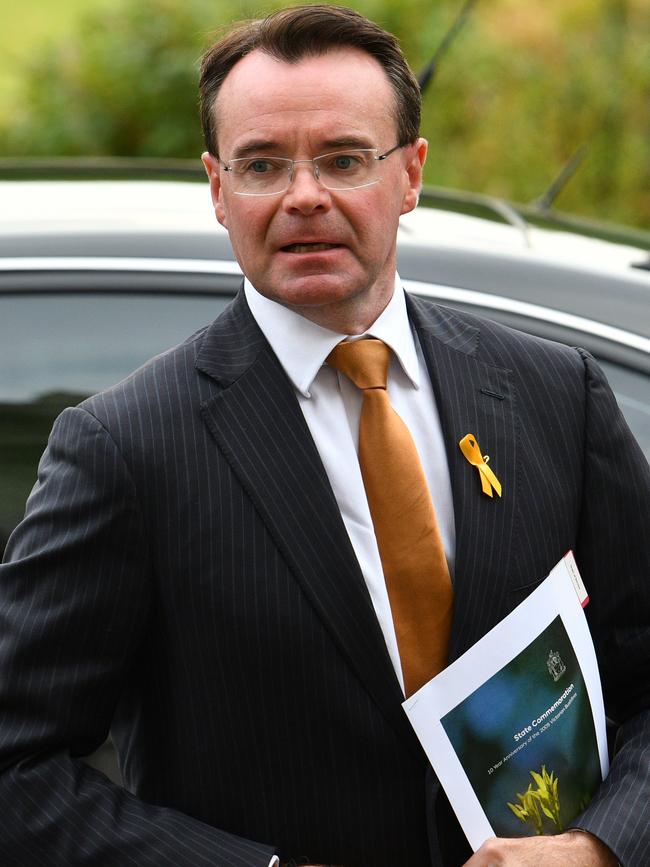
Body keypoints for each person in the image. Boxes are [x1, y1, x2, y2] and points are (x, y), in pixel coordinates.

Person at [0, 6, 648, 866]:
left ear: (411, 175)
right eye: (263, 164)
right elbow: (16, 767)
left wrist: (602, 844)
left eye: (344, 159)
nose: (305, 196)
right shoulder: (125, 447)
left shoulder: (553, 393)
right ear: (218, 189)